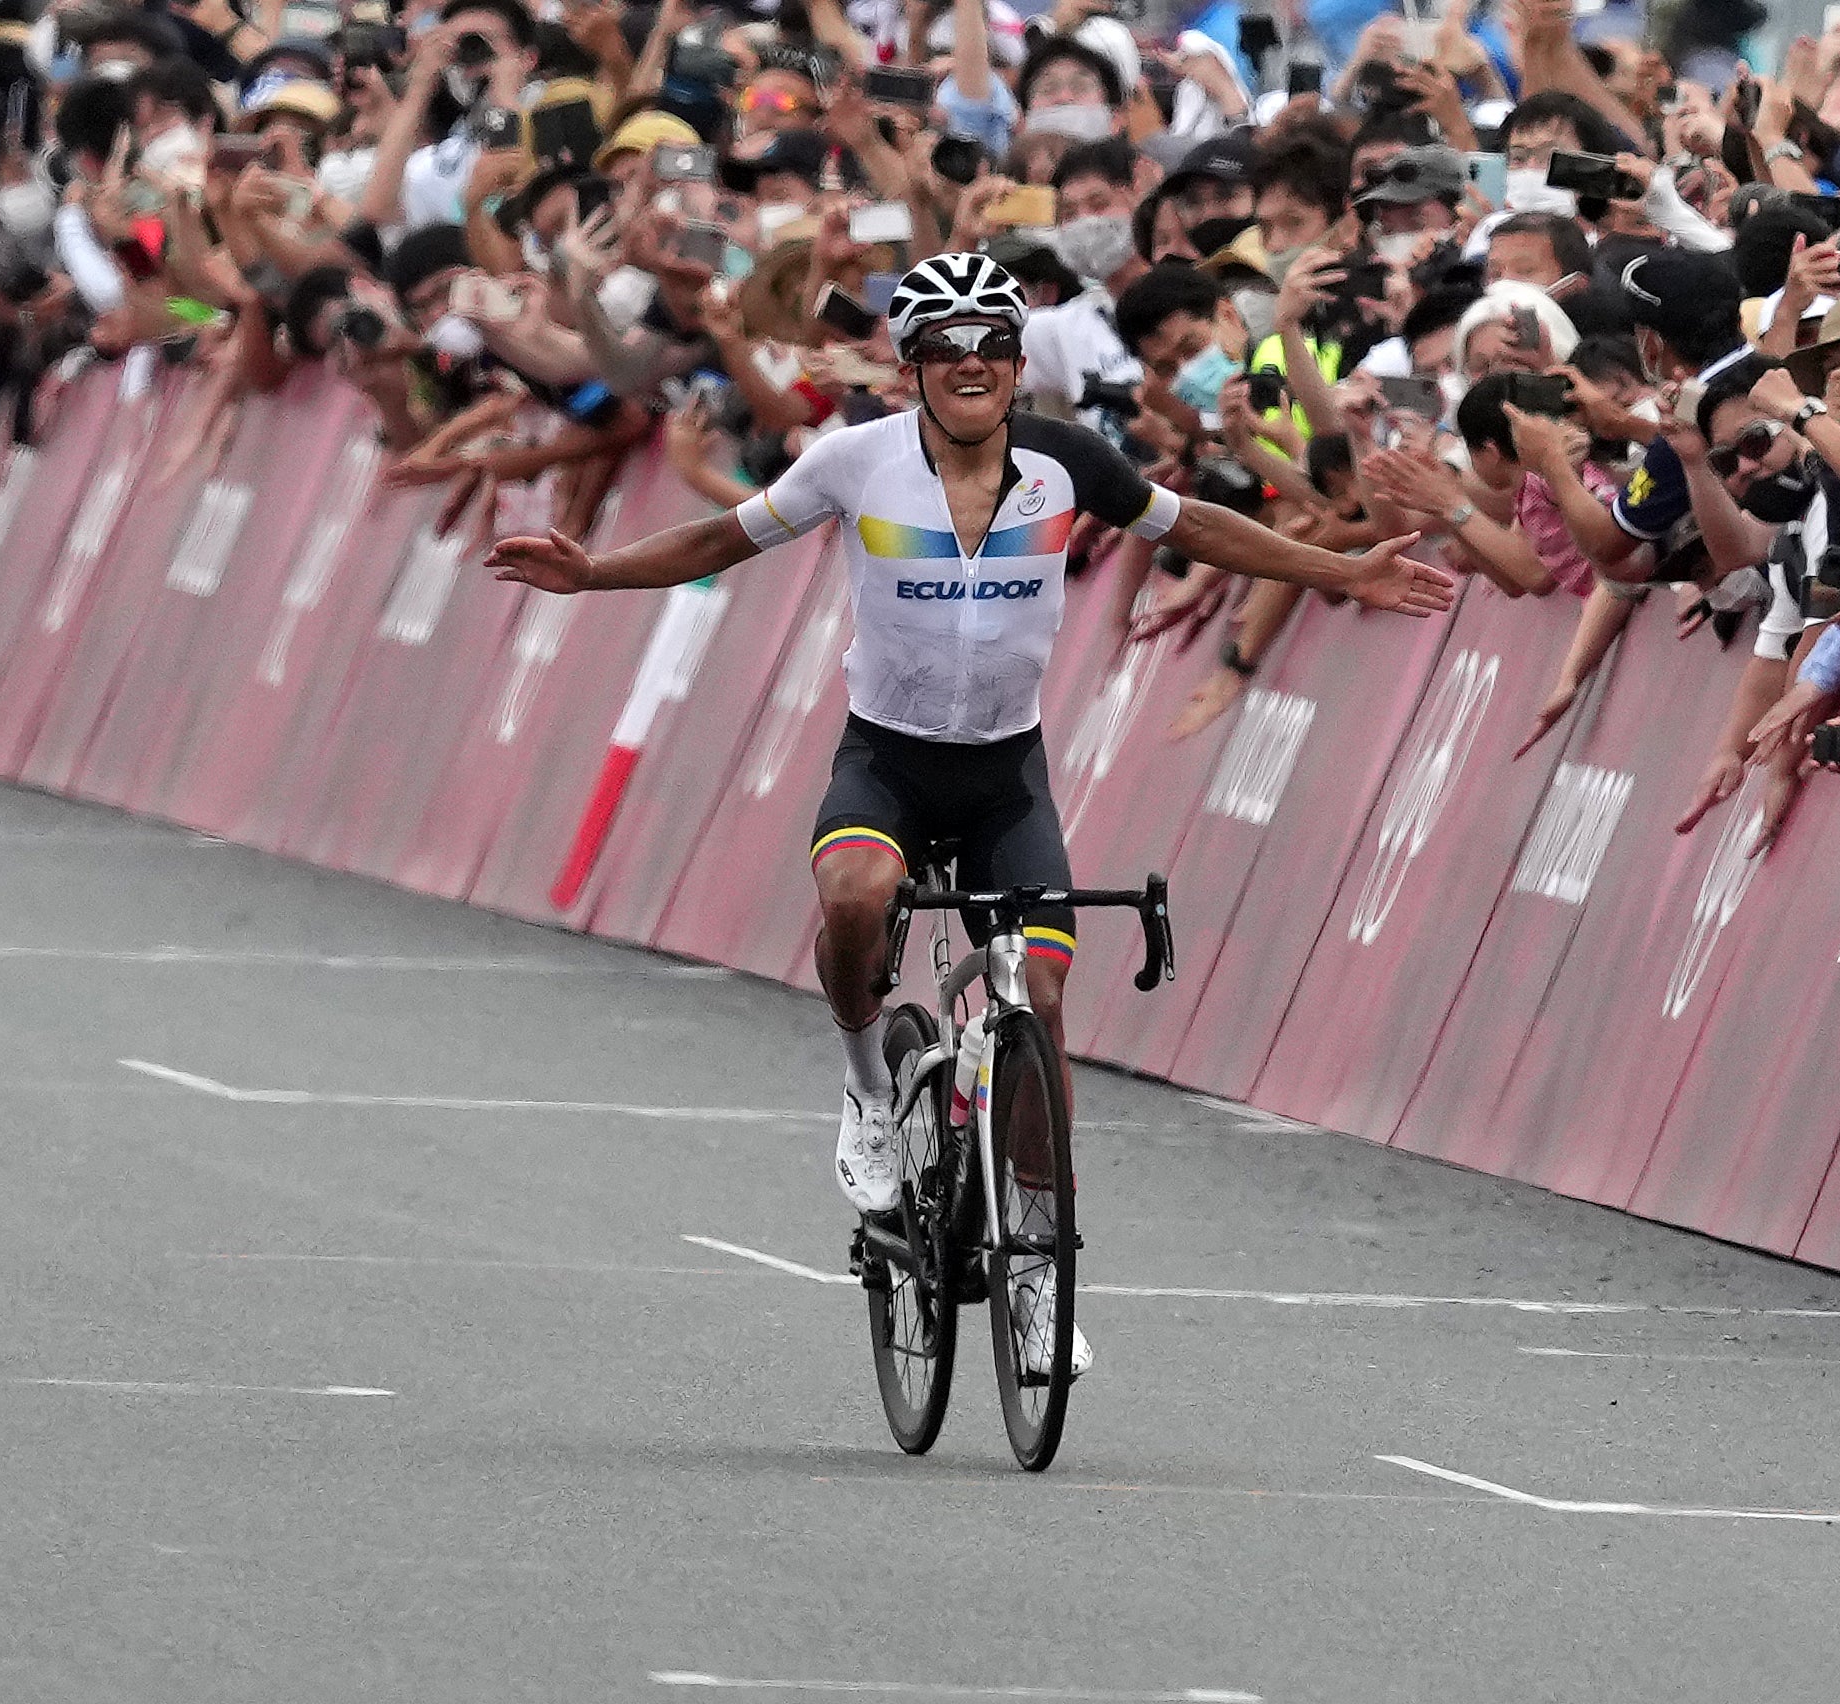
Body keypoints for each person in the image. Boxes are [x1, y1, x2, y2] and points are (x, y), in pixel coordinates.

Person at [487, 253, 1456, 1377]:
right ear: (911, 366)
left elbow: (1195, 529)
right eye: (945, 345)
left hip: (1005, 774)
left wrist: (1338, 576)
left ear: (1016, 362)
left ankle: (1038, 1277)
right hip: (888, 763)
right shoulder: (852, 461)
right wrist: (595, 572)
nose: (972, 362)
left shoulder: (1067, 461)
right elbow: (722, 541)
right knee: (854, 893)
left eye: (994, 343)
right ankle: (863, 1090)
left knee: (1039, 1002)